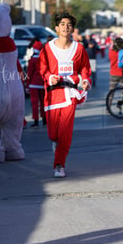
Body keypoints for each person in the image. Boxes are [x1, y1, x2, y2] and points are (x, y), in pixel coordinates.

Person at [39, 12, 92, 178]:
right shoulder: (48, 48)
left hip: (70, 94)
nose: (66, 27)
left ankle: (59, 165)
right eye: (62, 24)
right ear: (56, 28)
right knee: (53, 134)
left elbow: (85, 68)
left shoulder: (79, 48)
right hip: (52, 95)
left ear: (72, 29)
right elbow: (42, 67)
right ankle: (57, 145)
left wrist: (85, 80)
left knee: (65, 133)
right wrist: (49, 77)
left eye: (69, 25)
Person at [26, 40, 46, 128]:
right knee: (43, 102)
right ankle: (45, 120)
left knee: (34, 103)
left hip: (33, 84)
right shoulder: (45, 59)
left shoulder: (32, 60)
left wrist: (27, 85)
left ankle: (36, 121)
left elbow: (29, 73)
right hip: (42, 83)